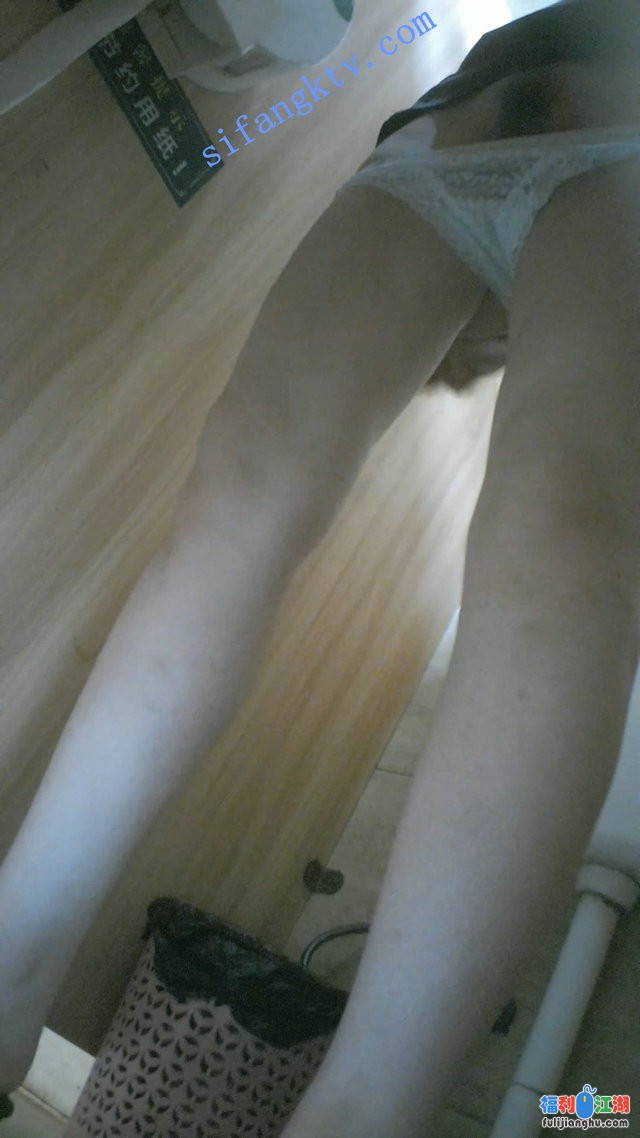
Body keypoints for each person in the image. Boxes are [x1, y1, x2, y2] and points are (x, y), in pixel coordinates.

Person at [1, 1, 639, 1132]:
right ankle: (10, 963)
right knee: (237, 489)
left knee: (562, 540)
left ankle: (361, 1117)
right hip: (450, 130)